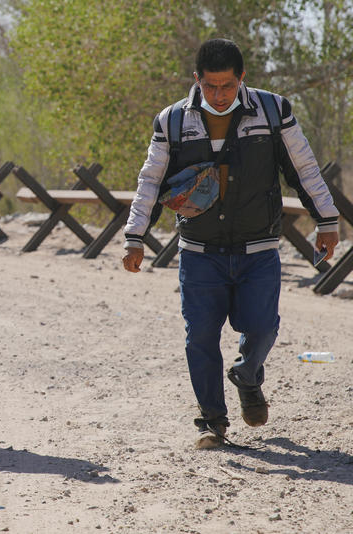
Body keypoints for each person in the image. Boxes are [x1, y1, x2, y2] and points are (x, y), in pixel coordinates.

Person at [122, 38, 339, 449]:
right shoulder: (171, 122)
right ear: (196, 80)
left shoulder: (274, 111)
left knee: (262, 327)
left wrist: (327, 221)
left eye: (226, 85)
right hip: (200, 253)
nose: (219, 95)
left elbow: (304, 168)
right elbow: (150, 181)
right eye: (210, 86)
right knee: (199, 336)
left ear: (242, 78)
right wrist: (135, 237)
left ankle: (248, 374)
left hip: (259, 250)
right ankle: (211, 422)